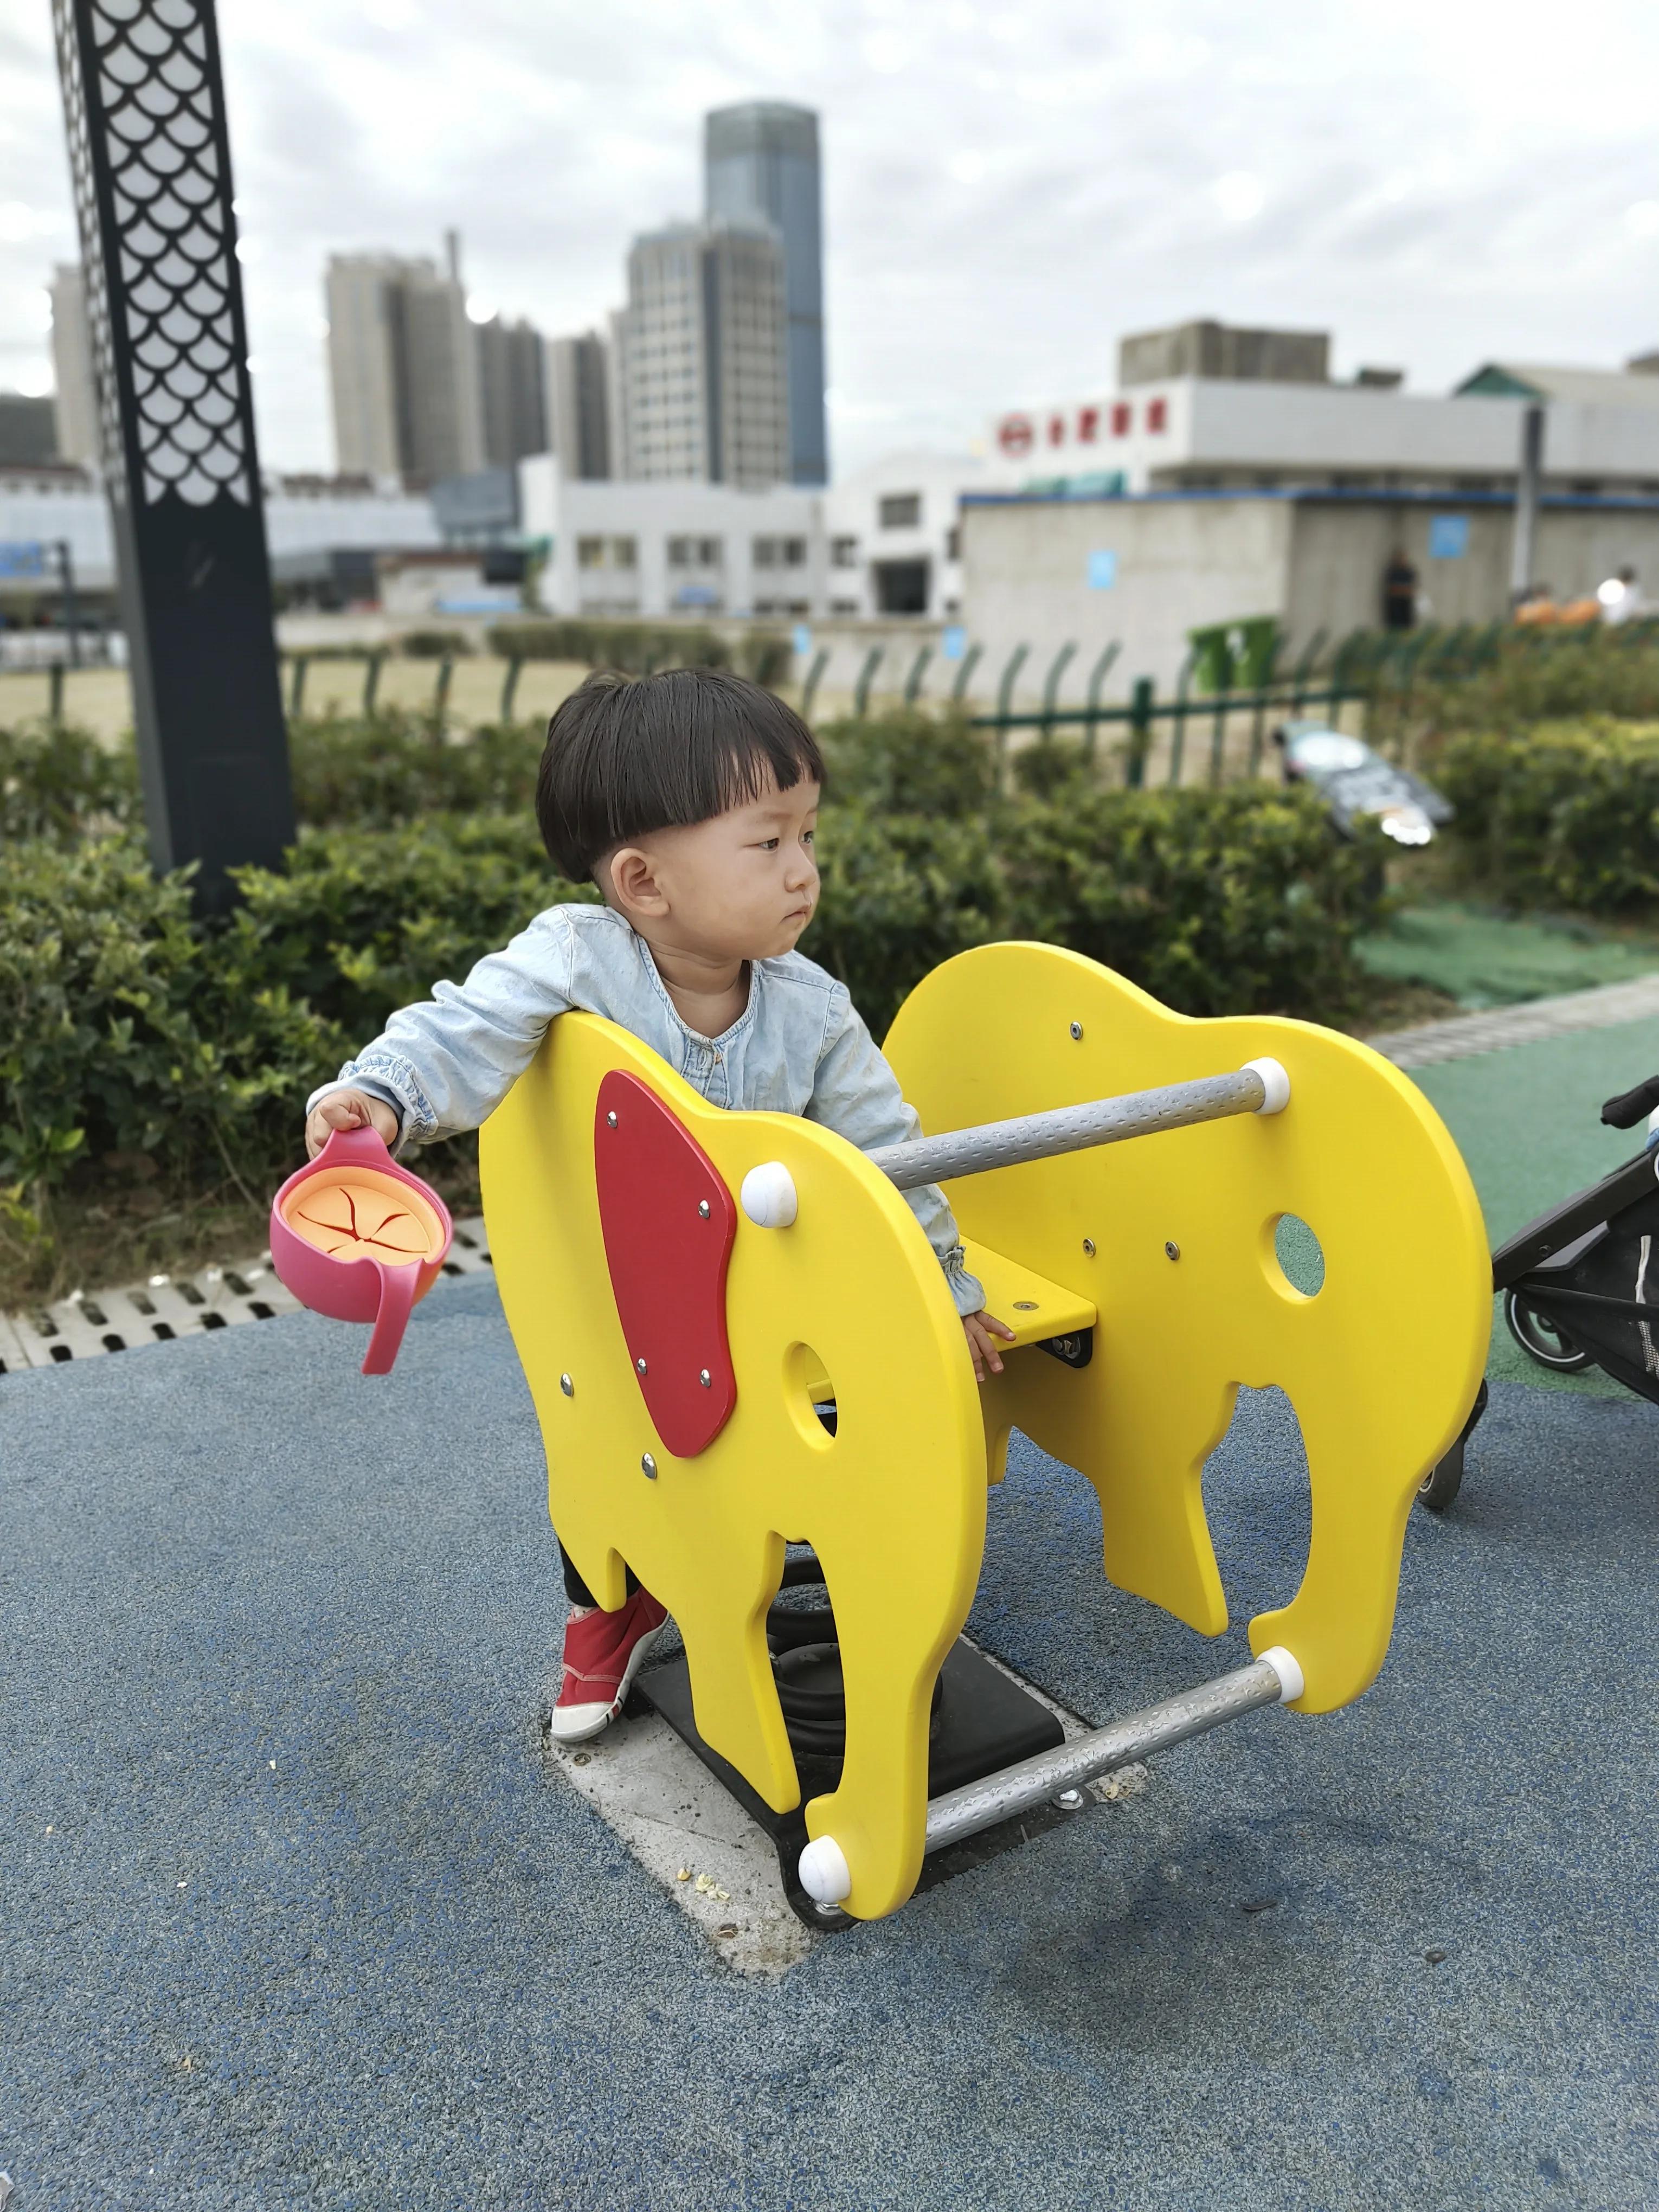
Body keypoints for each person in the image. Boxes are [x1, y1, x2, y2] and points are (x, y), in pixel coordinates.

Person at [301, 667, 1015, 1743]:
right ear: (643, 881)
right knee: (604, 1453)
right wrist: (380, 1100)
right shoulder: (575, 964)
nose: (804, 872)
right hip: (613, 1295)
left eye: (807, 837)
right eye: (767, 843)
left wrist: (947, 1292)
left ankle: (840, 1590)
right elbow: (464, 1030)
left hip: (763, 1301)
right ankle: (610, 1604)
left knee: (804, 1446)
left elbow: (888, 1151)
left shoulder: (813, 1013)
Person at [1381, 548, 1418, 631]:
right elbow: (1392, 589)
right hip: (1395, 606)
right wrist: (1402, 590)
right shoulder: (1392, 572)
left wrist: (1401, 590)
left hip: (1405, 605)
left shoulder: (1408, 572)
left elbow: (1411, 589)